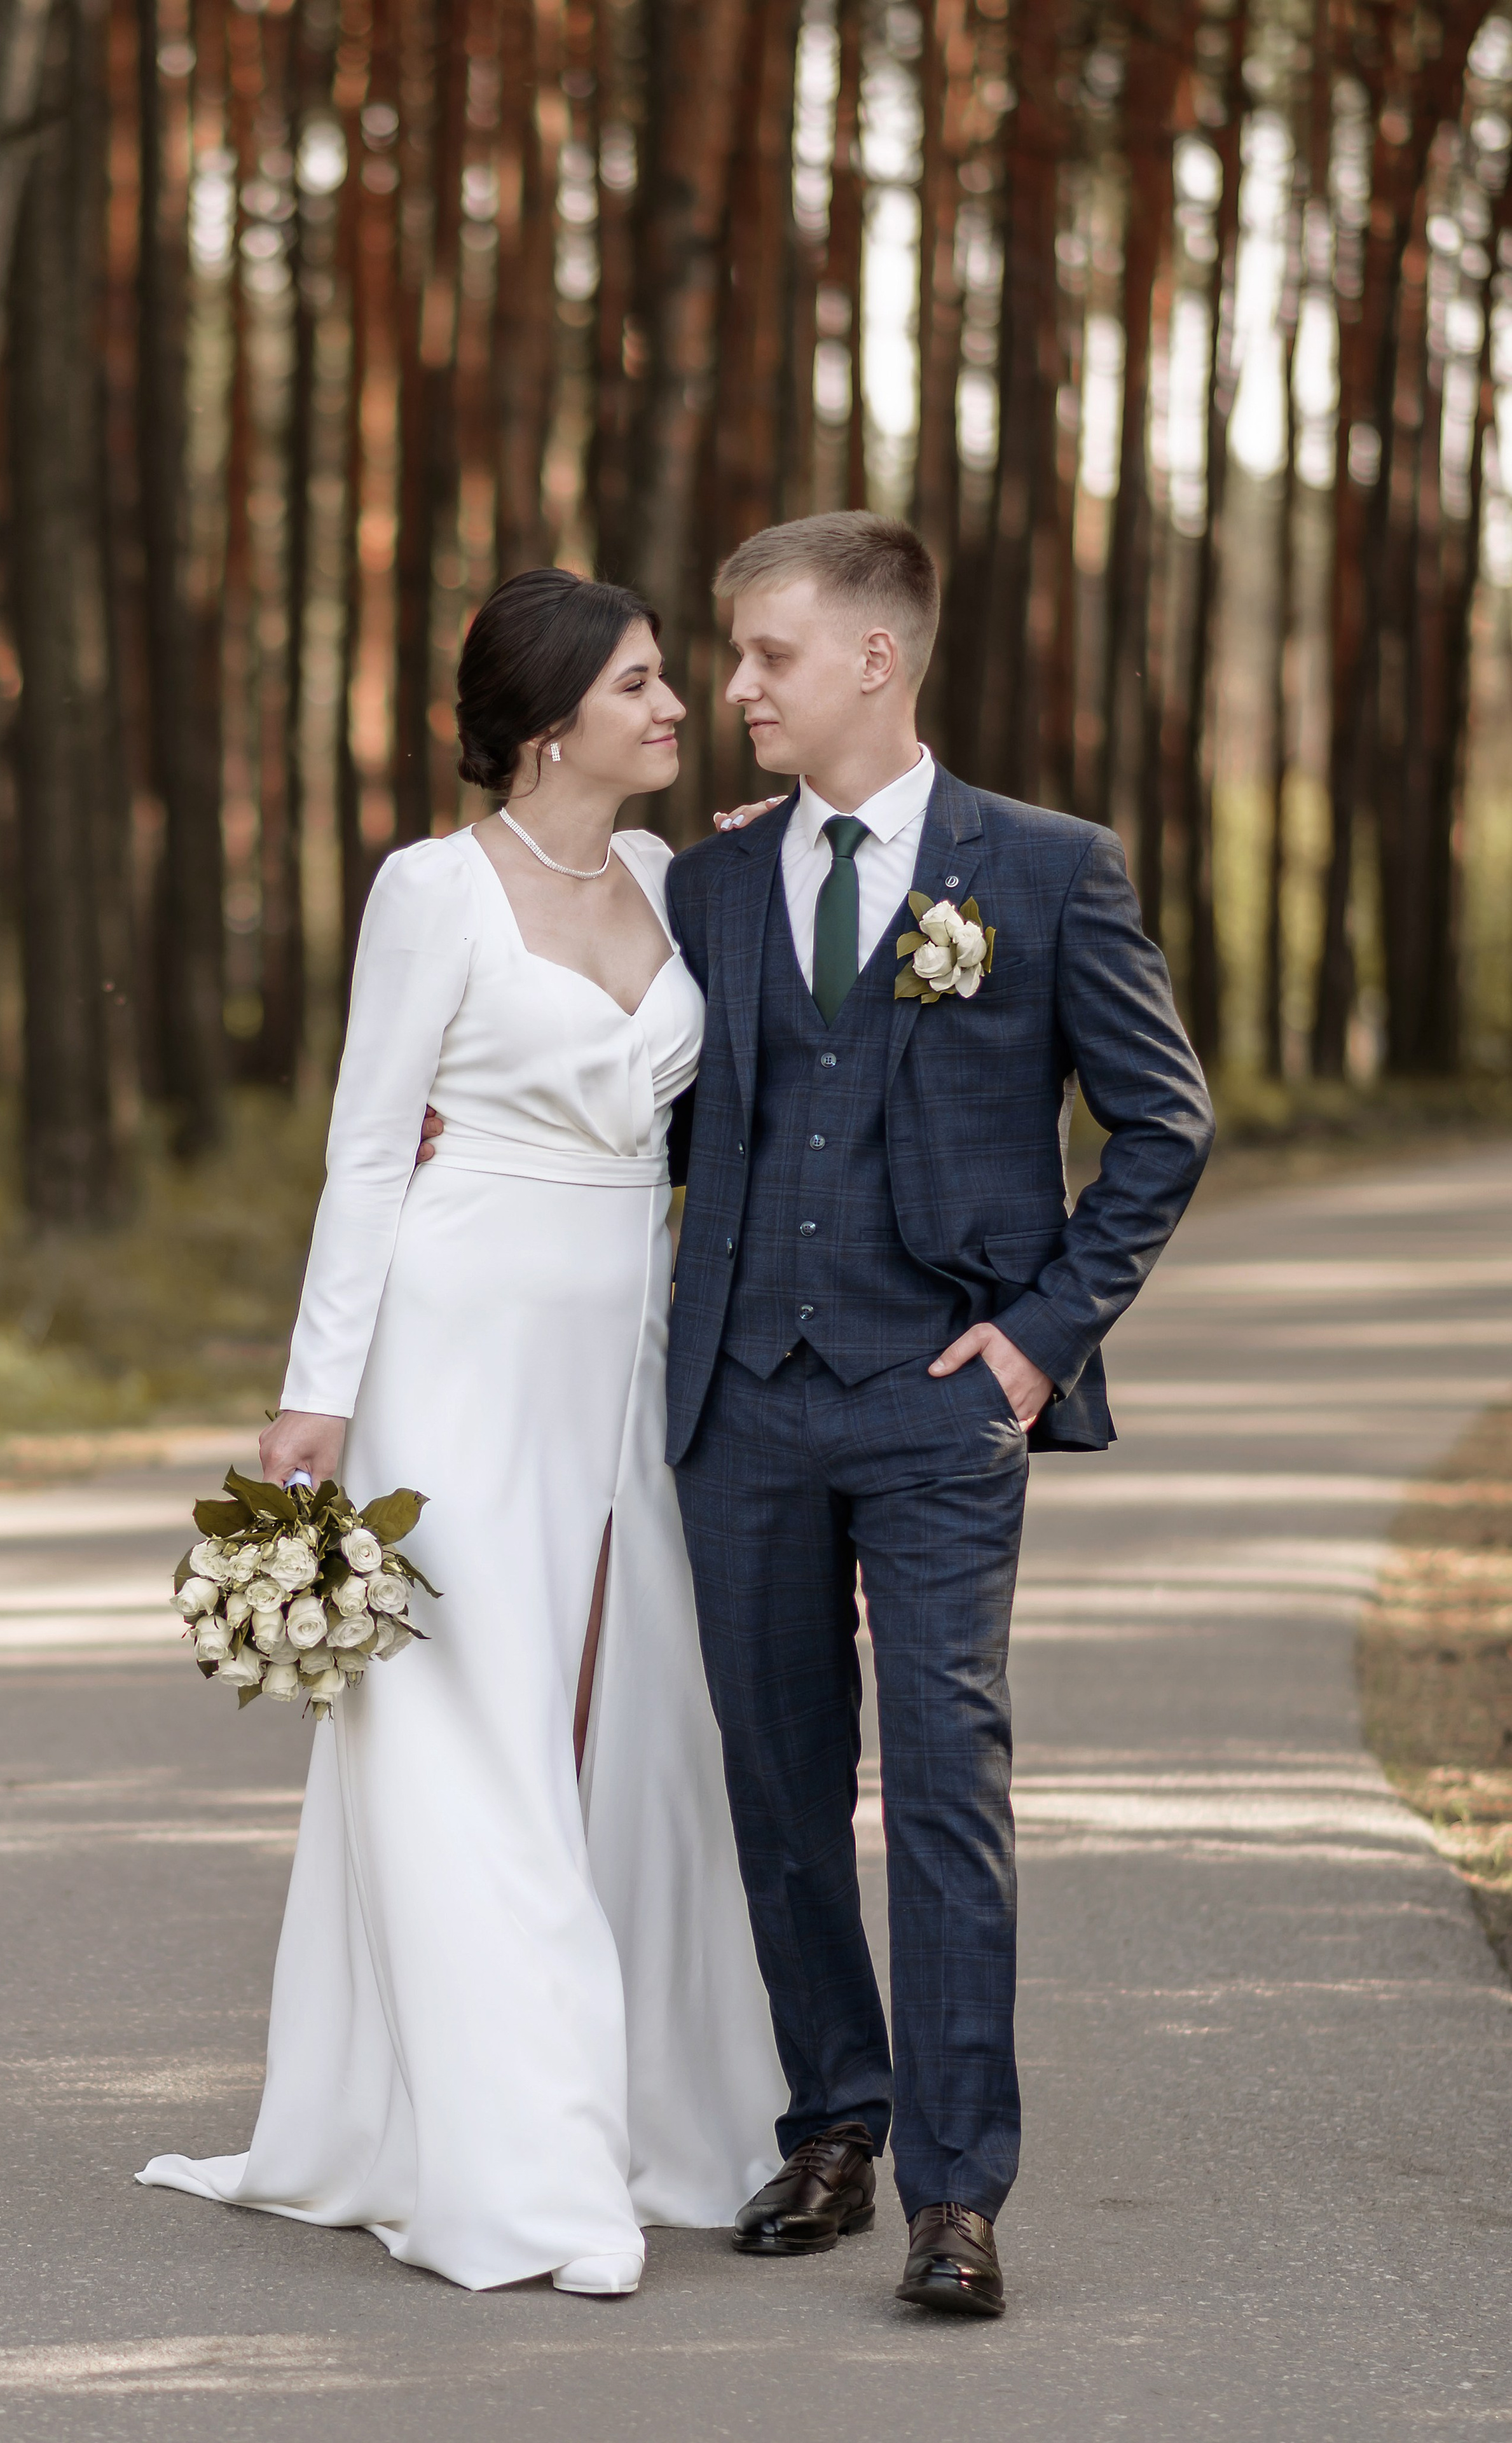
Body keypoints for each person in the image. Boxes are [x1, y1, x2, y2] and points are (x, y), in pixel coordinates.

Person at [137, 567, 786, 2298]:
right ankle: (526, 2170)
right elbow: (367, 1146)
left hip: (620, 1348)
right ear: (551, 718)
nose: (676, 707)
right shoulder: (430, 892)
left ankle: (660, 2114)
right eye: (645, 685)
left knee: (633, 1718)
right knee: (470, 1733)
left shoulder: (666, 875)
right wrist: (319, 1388)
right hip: (458, 1334)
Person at [663, 512, 1215, 2316]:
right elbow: (671, 1123)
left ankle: (956, 2189)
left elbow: (1164, 1123)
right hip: (743, 1397)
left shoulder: (1046, 871)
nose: (734, 687)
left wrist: (1042, 1336)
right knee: (779, 1781)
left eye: (767, 656)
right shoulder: (717, 883)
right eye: (732, 657)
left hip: (939, 1400)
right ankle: (835, 2117)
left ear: (874, 662)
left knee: (948, 1786)